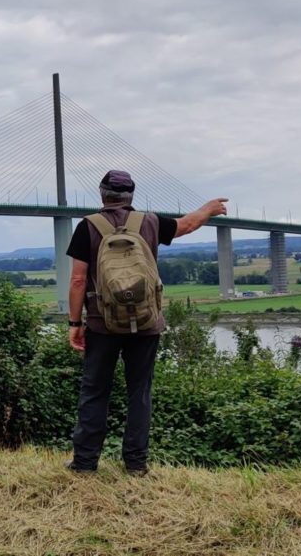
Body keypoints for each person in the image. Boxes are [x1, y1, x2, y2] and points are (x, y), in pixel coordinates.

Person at [65, 170, 227, 475]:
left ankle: (85, 464)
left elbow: (77, 280)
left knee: (94, 392)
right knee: (139, 392)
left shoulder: (88, 227)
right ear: (131, 196)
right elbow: (187, 225)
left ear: (102, 194)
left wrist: (75, 323)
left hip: (102, 325)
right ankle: (136, 465)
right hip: (146, 323)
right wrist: (208, 208)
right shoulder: (150, 222)